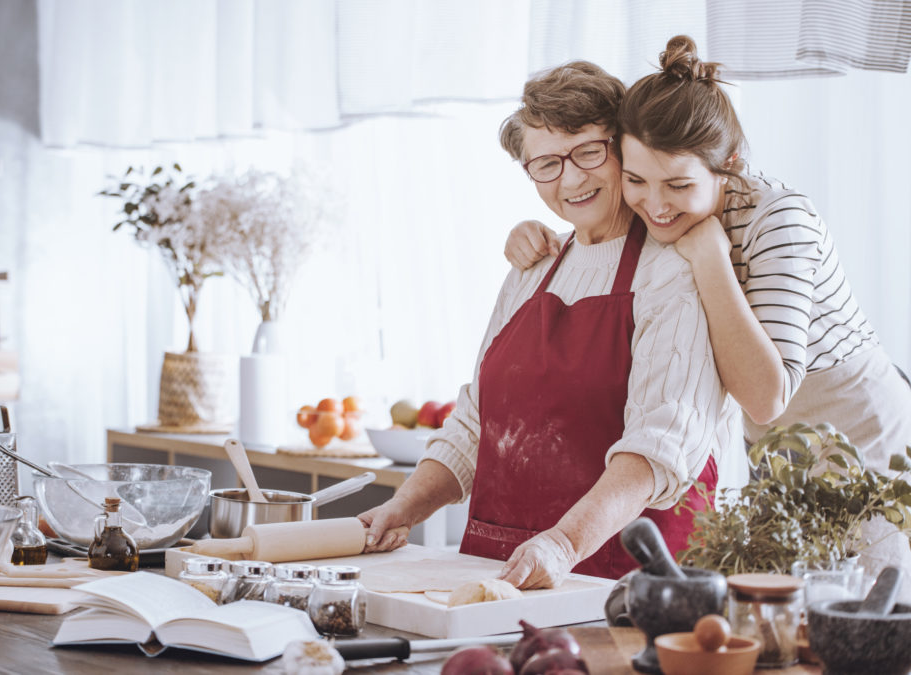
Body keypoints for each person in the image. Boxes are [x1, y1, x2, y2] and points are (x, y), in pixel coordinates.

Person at [503, 36, 911, 581]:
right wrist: (534, 235)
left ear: (730, 165)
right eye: (637, 181)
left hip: (860, 436)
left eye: (678, 185)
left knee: (867, 617)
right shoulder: (659, 207)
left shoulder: (780, 220)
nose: (654, 204)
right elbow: (597, 224)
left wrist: (711, 258)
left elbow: (766, 396)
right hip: (775, 452)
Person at [358, 61, 739, 588]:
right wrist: (401, 509)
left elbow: (660, 447)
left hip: (621, 581)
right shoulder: (532, 267)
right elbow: (476, 423)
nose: (572, 179)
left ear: (623, 148)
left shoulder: (674, 271)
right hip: (502, 572)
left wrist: (564, 543)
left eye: (589, 152)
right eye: (547, 164)